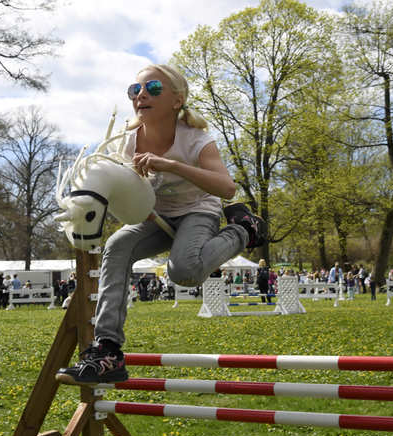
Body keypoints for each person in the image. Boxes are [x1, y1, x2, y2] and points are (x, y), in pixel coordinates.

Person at [58, 63, 267, 384]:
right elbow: (123, 195)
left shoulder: (197, 140)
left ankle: (243, 229)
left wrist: (171, 165)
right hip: (156, 215)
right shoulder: (126, 142)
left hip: (198, 211)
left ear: (177, 100)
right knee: (117, 246)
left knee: (183, 272)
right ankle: (108, 349)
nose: (141, 95)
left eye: (153, 89)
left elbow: (227, 188)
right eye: (135, 90)